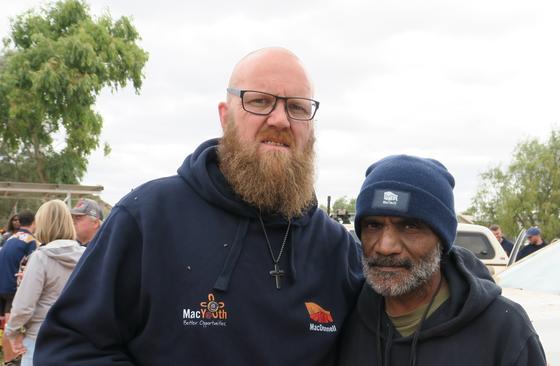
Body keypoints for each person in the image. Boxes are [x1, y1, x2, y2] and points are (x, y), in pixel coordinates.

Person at [36, 47, 363, 365]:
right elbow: (70, 347)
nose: (280, 119)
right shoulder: (147, 219)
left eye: (297, 107)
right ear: (225, 116)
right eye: (259, 101)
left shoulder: (337, 250)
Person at [338, 155, 546, 366]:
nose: (385, 247)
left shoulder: (504, 329)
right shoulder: (342, 317)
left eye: (409, 227)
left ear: (442, 240)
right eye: (373, 225)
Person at [4, 200, 85, 366]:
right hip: (78, 339)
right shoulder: (87, 256)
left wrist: (12, 331)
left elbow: (24, 306)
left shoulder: (41, 257)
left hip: (41, 338)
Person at [0, 211, 37, 365]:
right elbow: (33, 265)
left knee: (4, 323)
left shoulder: (10, 238)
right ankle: (10, 360)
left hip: (1, 284)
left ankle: (8, 358)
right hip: (12, 288)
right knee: (11, 325)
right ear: (34, 222)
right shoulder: (30, 241)